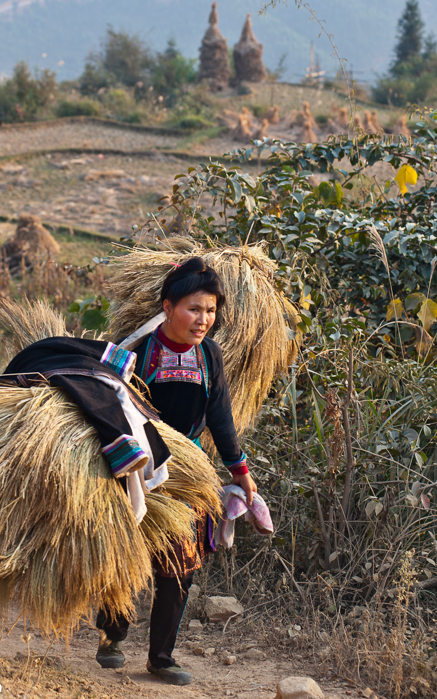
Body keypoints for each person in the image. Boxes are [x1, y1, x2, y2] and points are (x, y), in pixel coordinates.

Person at [95, 256, 256, 686]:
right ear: (167, 308)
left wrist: (239, 470)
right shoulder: (137, 350)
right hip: (137, 467)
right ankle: (112, 635)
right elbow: (108, 405)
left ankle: (161, 657)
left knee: (180, 565)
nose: (203, 319)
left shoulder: (209, 356)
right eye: (193, 309)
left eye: (210, 310)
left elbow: (220, 417)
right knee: (126, 556)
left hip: (187, 474)